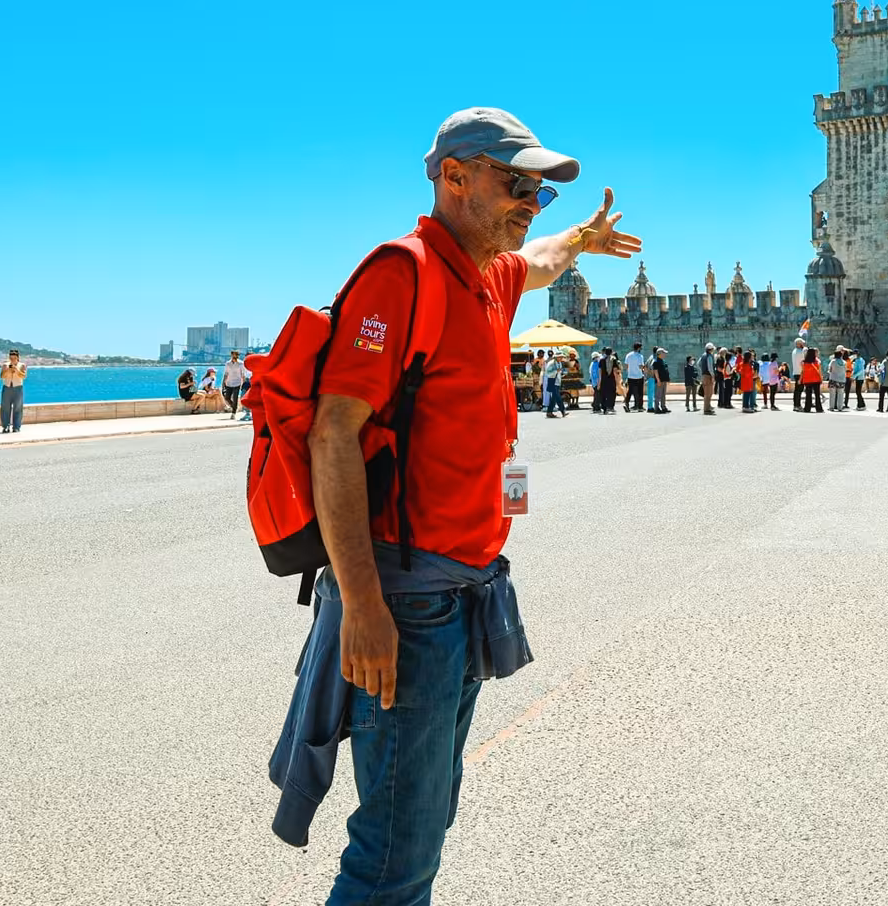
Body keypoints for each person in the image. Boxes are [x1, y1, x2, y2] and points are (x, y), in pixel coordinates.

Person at [284, 105, 640, 902]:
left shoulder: (490, 276)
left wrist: (578, 237)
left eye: (539, 193)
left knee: (424, 825)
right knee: (393, 853)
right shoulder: (401, 273)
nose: (529, 202)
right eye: (517, 184)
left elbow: (542, 261)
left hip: (464, 592)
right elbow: (333, 438)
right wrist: (366, 609)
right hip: (406, 605)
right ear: (453, 176)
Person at [0, 350, 27, 433]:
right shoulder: (5, 365)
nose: (13, 359)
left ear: (17, 357)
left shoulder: (22, 365)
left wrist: (17, 370)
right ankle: (5, 426)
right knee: (5, 408)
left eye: (14, 357)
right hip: (7, 387)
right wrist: (8, 370)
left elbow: (23, 376)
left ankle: (16, 426)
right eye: (11, 357)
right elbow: (2, 376)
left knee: (18, 408)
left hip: (18, 387)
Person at [223, 350, 248, 417]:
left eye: (236, 355)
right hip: (229, 383)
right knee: (227, 398)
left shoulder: (241, 364)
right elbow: (226, 373)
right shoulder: (227, 363)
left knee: (235, 397)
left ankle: (233, 413)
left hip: (237, 383)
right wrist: (223, 383)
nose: (235, 356)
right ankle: (234, 407)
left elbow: (243, 374)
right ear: (231, 355)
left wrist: (243, 383)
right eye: (234, 355)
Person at [623, 342, 646, 413]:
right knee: (640, 392)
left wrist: (630, 370)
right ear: (638, 348)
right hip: (639, 376)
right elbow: (640, 366)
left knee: (630, 391)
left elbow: (626, 366)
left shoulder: (628, 355)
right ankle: (640, 406)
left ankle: (627, 403)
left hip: (630, 376)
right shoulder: (640, 356)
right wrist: (644, 368)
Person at [799, 347, 824, 411]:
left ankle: (807, 408)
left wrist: (800, 379)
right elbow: (820, 371)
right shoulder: (817, 362)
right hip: (816, 379)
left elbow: (802, 372)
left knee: (808, 395)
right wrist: (821, 378)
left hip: (807, 380)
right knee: (817, 395)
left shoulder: (804, 362)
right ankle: (819, 408)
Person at [650, 348, 672, 414]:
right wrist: (658, 380)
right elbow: (655, 371)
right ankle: (656, 408)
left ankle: (663, 407)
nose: (665, 354)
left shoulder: (663, 361)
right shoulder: (656, 361)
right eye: (664, 353)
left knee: (663, 395)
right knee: (658, 395)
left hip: (664, 380)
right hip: (660, 381)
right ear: (660, 354)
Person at [789, 337, 809, 411]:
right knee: (799, 390)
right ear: (799, 344)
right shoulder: (802, 351)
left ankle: (796, 405)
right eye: (802, 343)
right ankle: (798, 405)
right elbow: (806, 355)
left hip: (796, 372)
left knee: (797, 390)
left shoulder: (794, 351)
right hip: (801, 372)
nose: (803, 344)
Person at [699, 343, 717, 415]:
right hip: (708, 376)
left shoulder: (703, 355)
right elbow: (710, 368)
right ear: (711, 349)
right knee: (708, 393)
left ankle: (708, 407)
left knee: (707, 393)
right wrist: (712, 376)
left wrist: (703, 370)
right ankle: (706, 409)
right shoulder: (709, 356)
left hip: (704, 375)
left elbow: (698, 364)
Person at [740, 348, 759, 413]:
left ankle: (746, 406)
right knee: (747, 394)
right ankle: (746, 407)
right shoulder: (746, 365)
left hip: (746, 381)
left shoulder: (744, 364)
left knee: (746, 394)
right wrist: (753, 374)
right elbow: (748, 374)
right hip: (747, 381)